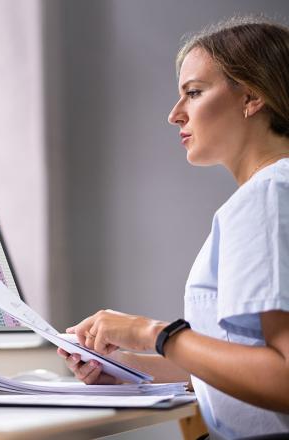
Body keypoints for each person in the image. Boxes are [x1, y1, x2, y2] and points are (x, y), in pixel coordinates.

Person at [57, 16, 289, 440]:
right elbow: (248, 362)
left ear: (251, 96)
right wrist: (127, 369)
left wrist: (154, 333)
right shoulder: (272, 193)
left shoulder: (269, 196)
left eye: (194, 93)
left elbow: (284, 378)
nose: (174, 114)